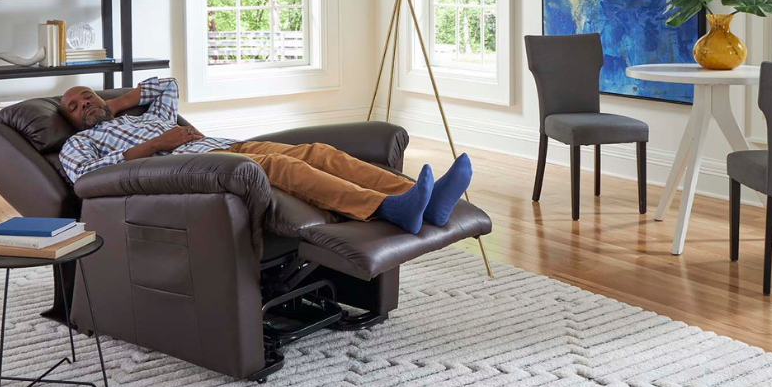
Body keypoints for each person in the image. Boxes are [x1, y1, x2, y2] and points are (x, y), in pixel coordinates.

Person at [57, 77, 472, 235]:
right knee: (280, 166)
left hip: (225, 146)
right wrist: (155, 146)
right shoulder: (78, 144)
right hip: (193, 170)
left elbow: (167, 85)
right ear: (71, 122)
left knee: (318, 152)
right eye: (75, 107)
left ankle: (422, 198)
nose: (84, 105)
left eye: (87, 96)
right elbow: (86, 178)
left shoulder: (143, 111)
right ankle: (390, 209)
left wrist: (116, 101)